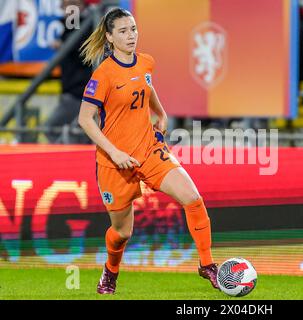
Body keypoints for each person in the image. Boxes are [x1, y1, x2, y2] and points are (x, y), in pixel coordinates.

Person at [78, 8, 218, 294]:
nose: (131, 36)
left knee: (193, 198)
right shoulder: (103, 74)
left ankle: (207, 265)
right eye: (123, 31)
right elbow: (84, 119)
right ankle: (111, 271)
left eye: (133, 29)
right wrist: (114, 152)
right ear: (109, 37)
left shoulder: (146, 62)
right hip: (114, 162)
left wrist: (161, 113)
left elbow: (146, 86)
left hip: (150, 149)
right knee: (122, 232)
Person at [45, 0, 91, 144]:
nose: (67, 9)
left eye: (71, 5)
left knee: (51, 128)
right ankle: (73, 161)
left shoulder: (82, 23)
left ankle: (67, 159)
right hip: (74, 91)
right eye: (65, 5)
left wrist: (63, 45)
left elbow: (79, 50)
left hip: (77, 92)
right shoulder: (75, 24)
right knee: (79, 134)